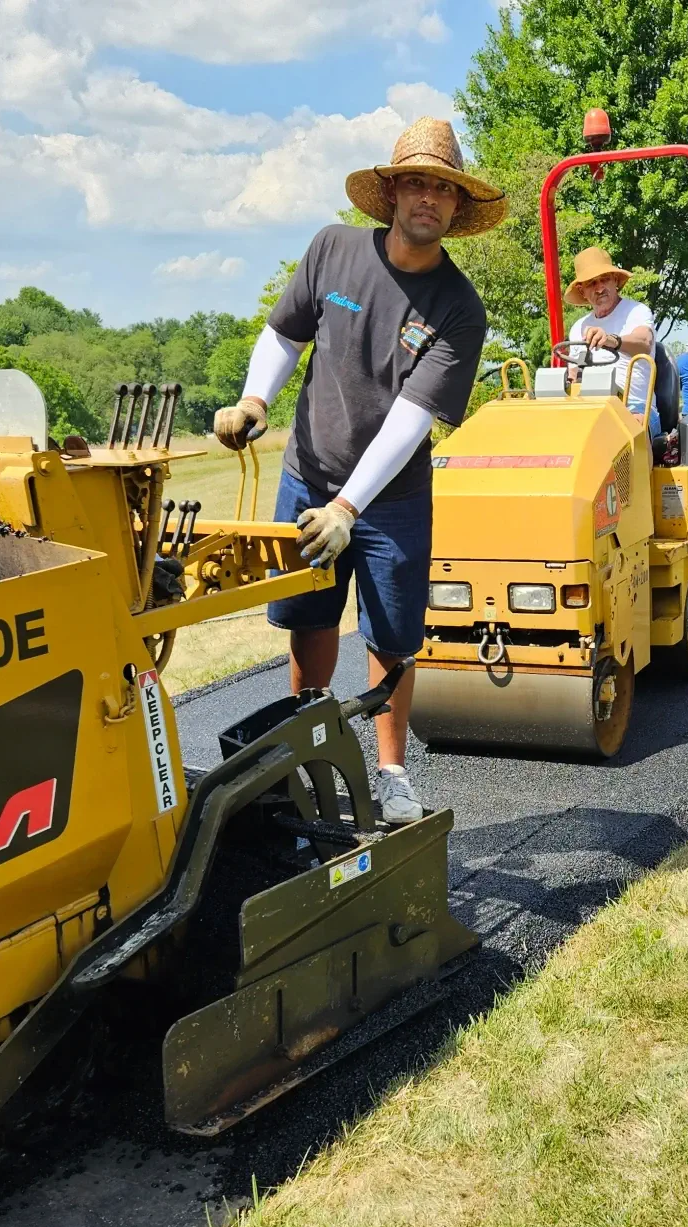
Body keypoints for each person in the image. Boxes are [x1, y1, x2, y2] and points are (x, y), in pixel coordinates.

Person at [212, 119, 503, 824]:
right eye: (418, 183)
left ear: (457, 207)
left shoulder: (459, 309)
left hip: (390, 498)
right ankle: (307, 755)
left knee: (393, 638)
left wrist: (348, 507)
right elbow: (284, 335)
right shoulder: (333, 250)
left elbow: (410, 419)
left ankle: (393, 775)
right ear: (394, 190)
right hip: (309, 474)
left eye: (443, 188)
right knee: (307, 623)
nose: (429, 198)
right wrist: (255, 399)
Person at [565, 247, 661, 436]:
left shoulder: (637, 312)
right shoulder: (578, 327)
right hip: (591, 407)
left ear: (615, 280)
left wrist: (611, 340)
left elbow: (644, 342)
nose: (600, 288)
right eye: (592, 283)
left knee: (625, 431)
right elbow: (573, 376)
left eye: (605, 279)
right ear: (582, 291)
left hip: (635, 406)